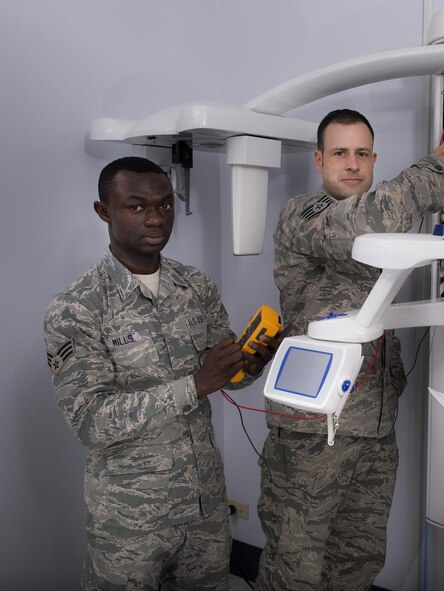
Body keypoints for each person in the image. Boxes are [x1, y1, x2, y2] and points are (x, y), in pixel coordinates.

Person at [259, 108, 444, 589]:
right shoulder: (304, 215)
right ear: (319, 160)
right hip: (312, 432)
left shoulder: (382, 221)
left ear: (374, 159)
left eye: (362, 153)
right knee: (295, 567)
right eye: (340, 153)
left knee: (359, 561)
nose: (352, 164)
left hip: (374, 424)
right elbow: (370, 218)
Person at [44, 156, 281, 590]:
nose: (155, 218)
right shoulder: (76, 307)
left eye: (165, 205)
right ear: (104, 211)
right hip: (130, 523)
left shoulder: (196, 287)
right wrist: (195, 384)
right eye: (136, 206)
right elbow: (91, 422)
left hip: (204, 508)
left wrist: (252, 363)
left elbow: (226, 376)